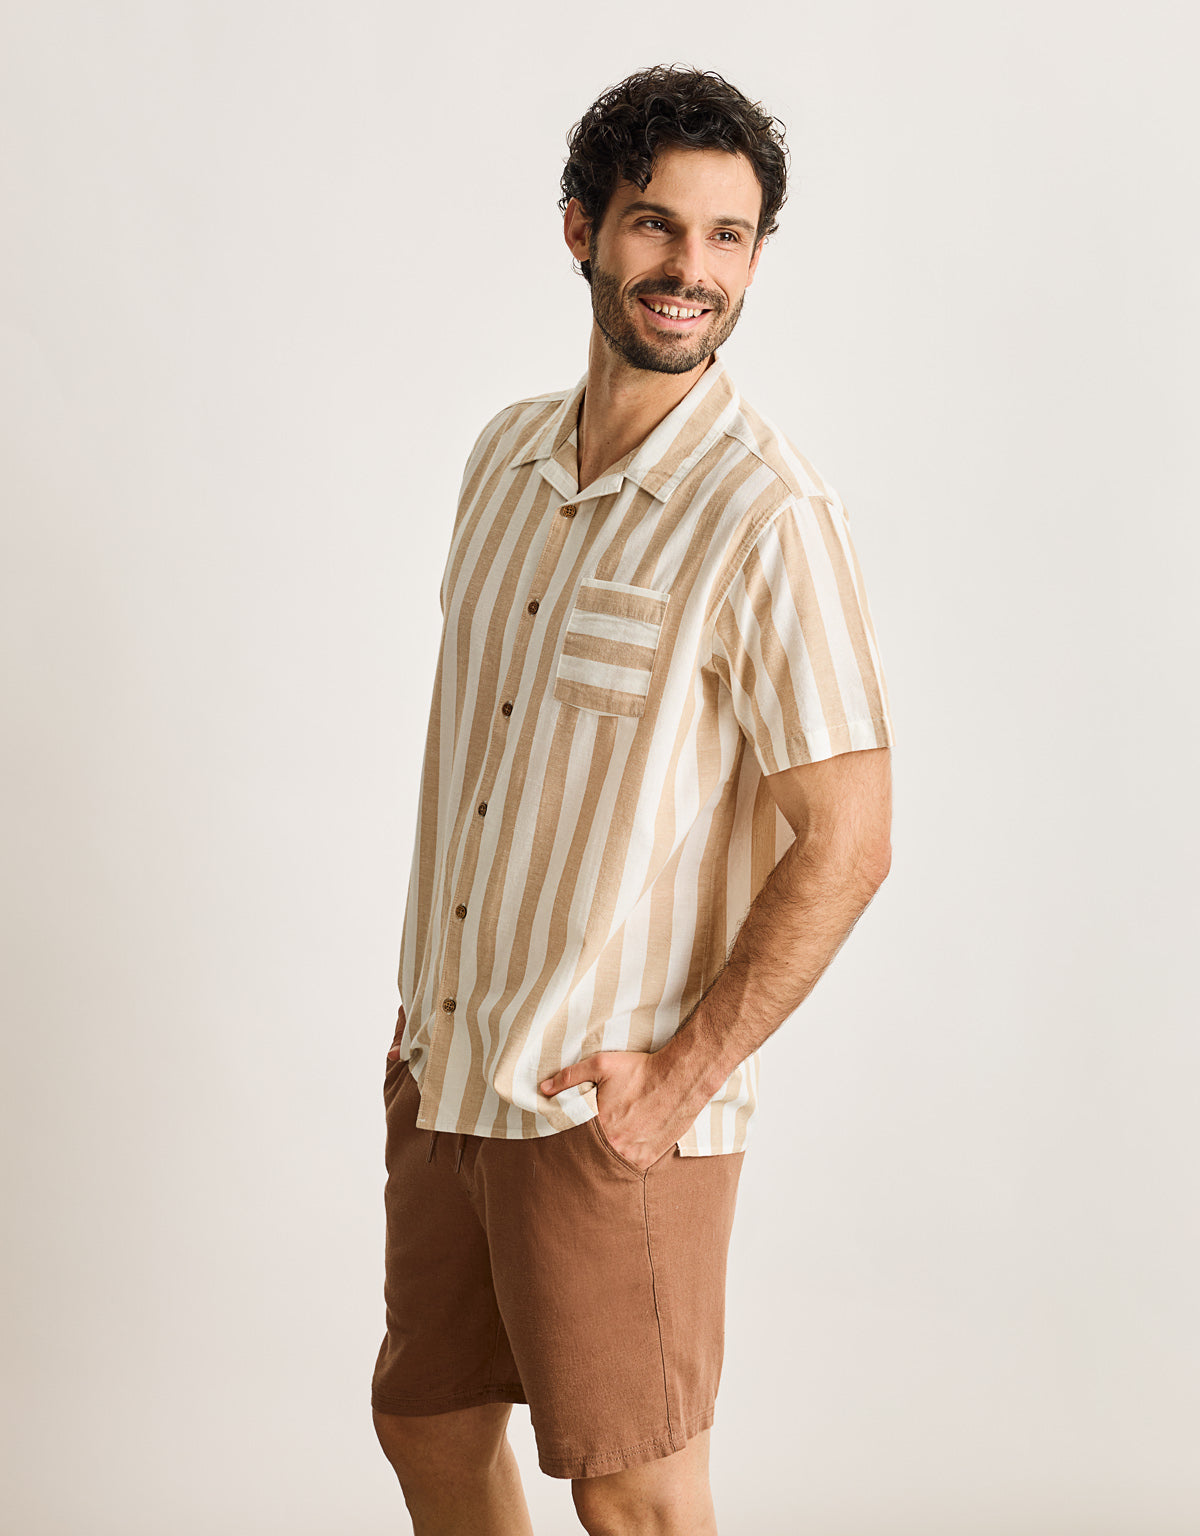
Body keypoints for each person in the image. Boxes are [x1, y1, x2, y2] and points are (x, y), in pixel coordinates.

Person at [371, 64, 894, 1536]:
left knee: (636, 1493)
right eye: (657, 224)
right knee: (426, 1423)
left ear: (756, 260)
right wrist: (425, 1013)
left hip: (610, 1104)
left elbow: (852, 839)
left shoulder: (766, 514)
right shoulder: (503, 461)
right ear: (582, 231)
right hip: (450, 1064)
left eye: (729, 236)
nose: (691, 269)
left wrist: (678, 1081)